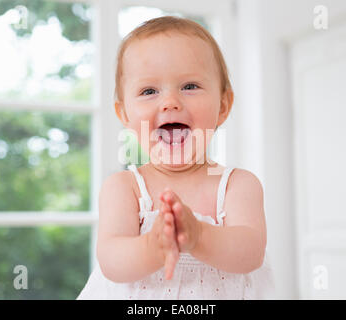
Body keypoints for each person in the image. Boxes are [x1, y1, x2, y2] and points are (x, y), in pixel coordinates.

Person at [77, 16, 274, 300]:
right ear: (124, 115)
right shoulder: (125, 188)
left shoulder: (237, 185)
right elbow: (111, 262)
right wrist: (153, 247)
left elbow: (251, 254)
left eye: (190, 86)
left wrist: (199, 236)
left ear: (223, 105)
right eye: (149, 91)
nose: (170, 102)